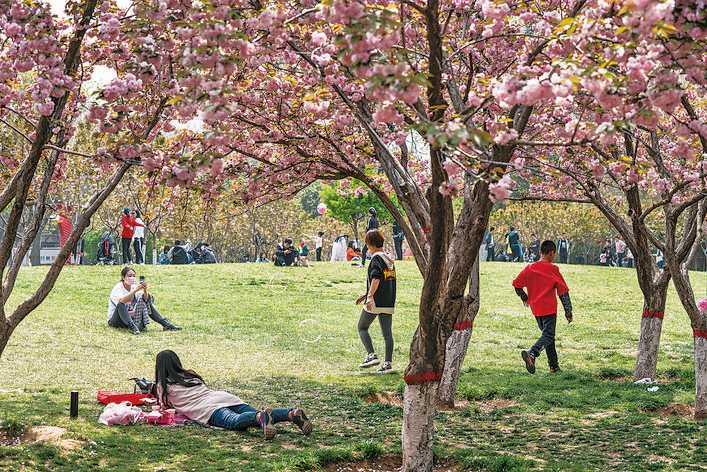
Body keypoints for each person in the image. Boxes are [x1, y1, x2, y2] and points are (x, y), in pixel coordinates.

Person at [153, 350, 312, 439]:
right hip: (224, 397)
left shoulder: (163, 386)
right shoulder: (190, 375)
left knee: (235, 421)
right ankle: (291, 414)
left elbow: (165, 406)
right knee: (255, 413)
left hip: (208, 409)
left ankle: (260, 418)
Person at [512, 240, 573, 374]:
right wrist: (568, 311)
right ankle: (532, 353)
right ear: (551, 253)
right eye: (554, 254)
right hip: (549, 309)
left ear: (541, 252)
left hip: (536, 309)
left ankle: (554, 367)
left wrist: (525, 297)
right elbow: (563, 292)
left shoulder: (530, 268)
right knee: (548, 336)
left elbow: (516, 284)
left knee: (547, 337)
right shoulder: (553, 269)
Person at [355, 229, 396, 374]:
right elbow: (383, 280)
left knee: (362, 327)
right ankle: (388, 364)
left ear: (370, 244)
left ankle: (371, 355)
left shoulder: (376, 258)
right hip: (388, 301)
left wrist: (370, 296)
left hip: (376, 301)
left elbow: (376, 278)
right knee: (387, 334)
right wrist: (366, 293)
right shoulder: (388, 259)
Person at [107, 266, 181, 334]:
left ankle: (165, 324)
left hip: (131, 316)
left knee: (147, 300)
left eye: (133, 276)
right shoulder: (118, 288)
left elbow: (146, 299)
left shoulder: (134, 286)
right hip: (117, 320)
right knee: (121, 303)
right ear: (123, 277)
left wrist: (145, 290)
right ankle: (132, 326)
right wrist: (135, 290)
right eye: (129, 276)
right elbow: (122, 301)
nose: (132, 278)